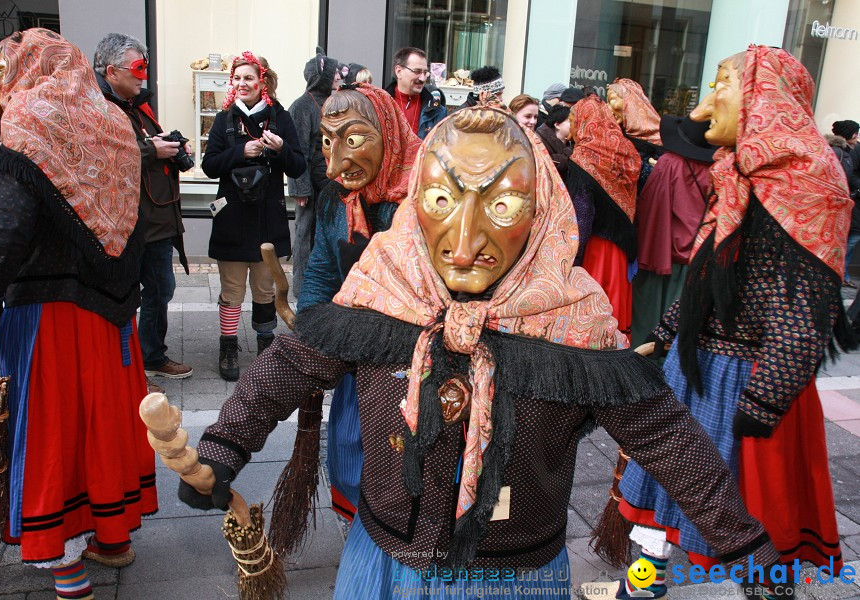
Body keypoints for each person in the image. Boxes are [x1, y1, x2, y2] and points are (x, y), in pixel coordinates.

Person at [180, 105, 788, 600]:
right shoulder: (383, 290)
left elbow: (664, 436)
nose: (465, 244)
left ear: (542, 211)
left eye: (501, 206)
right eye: (442, 200)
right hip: (386, 559)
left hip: (512, 575)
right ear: (417, 199)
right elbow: (289, 368)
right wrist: (225, 444)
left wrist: (742, 546)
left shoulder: (572, 319)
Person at [615, 46, 856, 600]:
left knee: (751, 513)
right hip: (693, 368)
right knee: (662, 495)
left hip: (750, 382)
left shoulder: (806, 184)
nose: (703, 107)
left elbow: (805, 303)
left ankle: (768, 592)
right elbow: (707, 274)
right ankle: (641, 588)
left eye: (721, 82)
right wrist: (667, 334)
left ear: (761, 97)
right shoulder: (738, 172)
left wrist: (766, 398)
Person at [0, 29, 157, 598]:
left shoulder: (34, 122)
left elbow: (6, 237)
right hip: (112, 311)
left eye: (5, 63)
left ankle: (63, 558)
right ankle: (110, 536)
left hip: (53, 313)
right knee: (104, 425)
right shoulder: (112, 121)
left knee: (55, 431)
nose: (0, 76)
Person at [298, 84, 421, 520]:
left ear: (387, 133)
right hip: (357, 348)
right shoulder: (338, 198)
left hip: (415, 361)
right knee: (350, 445)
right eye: (327, 142)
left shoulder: (425, 199)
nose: (335, 163)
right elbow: (322, 268)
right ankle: (363, 527)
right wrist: (310, 321)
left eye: (352, 140)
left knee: (403, 456)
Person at [94, 33, 193, 392]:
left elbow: (143, 145)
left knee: (160, 289)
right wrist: (153, 151)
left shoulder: (139, 106)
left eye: (144, 68)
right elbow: (103, 155)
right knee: (127, 295)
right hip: (127, 223)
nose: (143, 76)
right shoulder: (99, 108)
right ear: (111, 70)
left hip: (157, 220)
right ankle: (127, 367)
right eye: (137, 69)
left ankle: (150, 356)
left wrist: (170, 147)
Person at [201, 51, 306, 381]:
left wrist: (280, 150)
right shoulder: (224, 119)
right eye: (238, 78)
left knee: (265, 289)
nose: (242, 83)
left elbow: (299, 166)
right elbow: (208, 166)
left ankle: (265, 345)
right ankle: (228, 345)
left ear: (263, 81)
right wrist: (240, 152)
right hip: (231, 218)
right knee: (232, 289)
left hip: (267, 219)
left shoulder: (281, 118)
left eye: (249, 77)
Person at [630, 115, 716, 347]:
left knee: (649, 316)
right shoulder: (719, 167)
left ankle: (647, 366)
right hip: (701, 251)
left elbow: (651, 206)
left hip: (664, 250)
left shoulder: (669, 163)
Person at [565, 95, 640, 338]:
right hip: (619, 251)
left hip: (596, 253)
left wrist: (571, 258)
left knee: (596, 315)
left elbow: (583, 215)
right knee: (616, 306)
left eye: (574, 120)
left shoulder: (582, 160)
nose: (571, 128)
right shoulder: (622, 153)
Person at [287, 48, 340, 299]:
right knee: (305, 236)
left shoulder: (328, 103)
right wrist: (300, 188)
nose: (339, 77)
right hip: (310, 188)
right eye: (334, 74)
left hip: (327, 183)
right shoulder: (301, 107)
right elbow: (297, 151)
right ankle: (302, 291)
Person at [607, 78, 664, 191]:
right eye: (607, 101)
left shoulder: (659, 138)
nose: (608, 107)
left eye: (612, 100)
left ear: (630, 103)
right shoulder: (616, 134)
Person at [386, 47, 447, 139]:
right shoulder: (380, 106)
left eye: (425, 72)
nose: (422, 78)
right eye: (417, 71)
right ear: (399, 71)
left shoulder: (437, 111)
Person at [832, 120, 860, 287]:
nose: (857, 137)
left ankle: (842, 274)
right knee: (849, 240)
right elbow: (846, 177)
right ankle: (840, 273)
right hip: (842, 203)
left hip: (847, 201)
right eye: (855, 133)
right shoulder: (840, 152)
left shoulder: (847, 152)